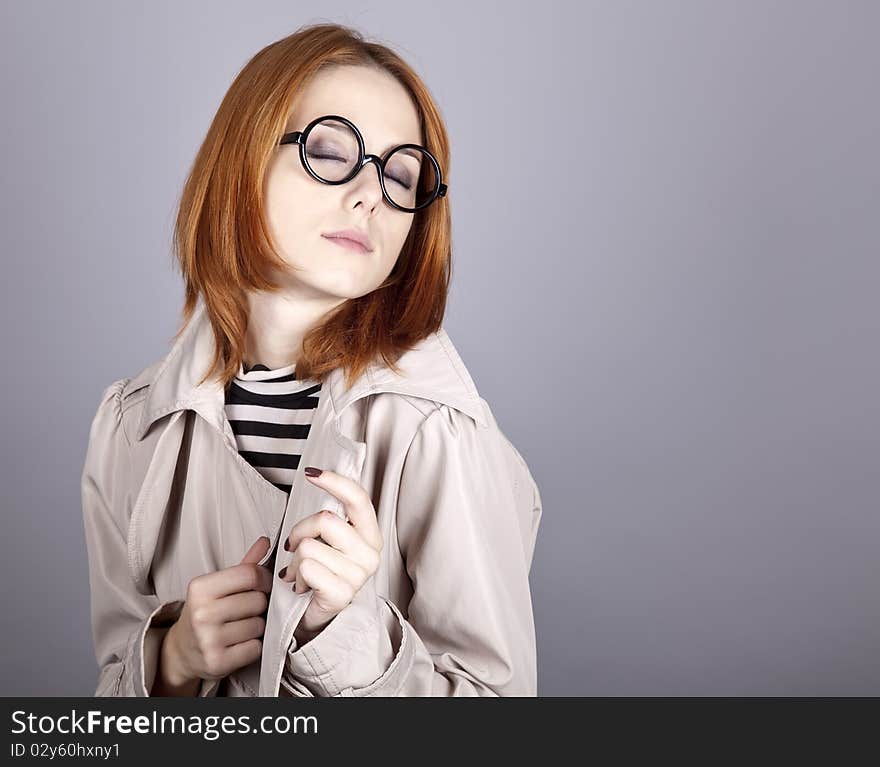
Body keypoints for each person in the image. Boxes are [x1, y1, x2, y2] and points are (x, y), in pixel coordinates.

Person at [81, 22, 543, 698]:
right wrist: (171, 661)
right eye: (330, 150)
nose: (371, 193)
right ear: (242, 157)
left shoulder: (439, 429)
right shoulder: (128, 430)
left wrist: (344, 633)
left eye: (401, 174)